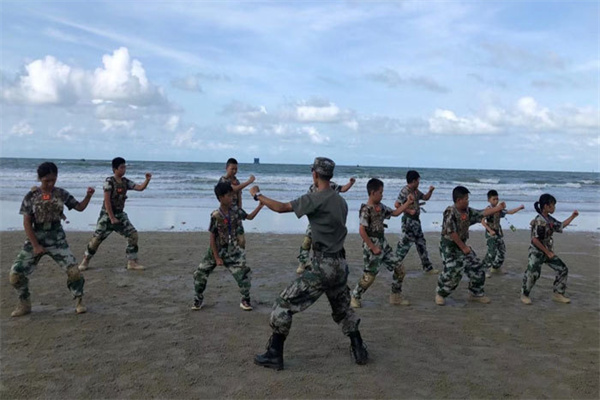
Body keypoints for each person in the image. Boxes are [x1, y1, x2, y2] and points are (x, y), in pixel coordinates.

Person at [252, 157, 368, 370]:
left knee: (283, 304)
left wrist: (257, 195)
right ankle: (359, 348)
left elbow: (281, 208)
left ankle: (274, 353)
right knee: (342, 309)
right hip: (340, 265)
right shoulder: (341, 202)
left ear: (314, 174)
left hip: (323, 266)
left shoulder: (315, 198)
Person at [9, 162, 95, 317]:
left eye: (53, 180)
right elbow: (27, 222)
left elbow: (80, 207)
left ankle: (79, 300)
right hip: (36, 237)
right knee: (15, 274)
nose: (50, 183)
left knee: (74, 272)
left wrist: (88, 196)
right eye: (46, 180)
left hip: (57, 239)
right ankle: (24, 303)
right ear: (40, 178)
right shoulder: (31, 196)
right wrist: (35, 245)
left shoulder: (61, 193)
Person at [192, 181, 263, 311]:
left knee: (243, 273)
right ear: (221, 198)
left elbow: (249, 217)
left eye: (232, 195)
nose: (232, 197)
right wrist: (216, 257)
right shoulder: (216, 215)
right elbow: (212, 237)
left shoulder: (236, 210)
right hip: (216, 250)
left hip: (233, 250)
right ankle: (198, 298)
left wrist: (260, 206)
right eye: (229, 195)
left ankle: (245, 299)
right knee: (200, 273)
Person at [435, 186, 506, 306]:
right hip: (449, 247)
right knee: (454, 271)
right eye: (466, 199)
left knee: (478, 268)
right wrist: (464, 248)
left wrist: (498, 208)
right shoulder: (450, 212)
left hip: (462, 245)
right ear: (459, 200)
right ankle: (440, 294)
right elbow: (451, 232)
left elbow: (482, 213)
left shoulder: (468, 211)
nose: (468, 201)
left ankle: (475, 294)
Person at [78, 157, 151, 271]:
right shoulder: (109, 182)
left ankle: (132, 262)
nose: (124, 169)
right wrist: (111, 218)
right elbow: (107, 201)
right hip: (107, 215)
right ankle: (85, 261)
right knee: (97, 239)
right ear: (115, 169)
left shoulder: (125, 182)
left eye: (124, 167)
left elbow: (140, 188)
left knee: (133, 235)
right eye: (121, 167)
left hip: (120, 215)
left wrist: (147, 180)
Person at [350, 178, 414, 308]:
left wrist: (407, 203)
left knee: (399, 268)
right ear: (373, 193)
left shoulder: (381, 207)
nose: (382, 195)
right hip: (371, 245)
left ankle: (395, 296)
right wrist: (373, 247)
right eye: (380, 192)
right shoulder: (366, 210)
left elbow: (395, 213)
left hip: (383, 243)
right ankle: (355, 296)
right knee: (370, 275)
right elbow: (362, 230)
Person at [521, 194, 579, 305]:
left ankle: (558, 294)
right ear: (546, 206)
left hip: (547, 251)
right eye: (553, 205)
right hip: (537, 252)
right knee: (533, 273)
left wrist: (573, 216)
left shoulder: (549, 219)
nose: (554, 208)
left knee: (562, 269)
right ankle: (525, 294)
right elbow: (535, 240)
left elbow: (560, 225)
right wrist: (547, 252)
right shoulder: (539, 221)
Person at [296, 177, 356, 274]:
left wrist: (351, 183)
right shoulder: (312, 188)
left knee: (328, 244)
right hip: (316, 221)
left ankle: (323, 262)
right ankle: (302, 262)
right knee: (307, 241)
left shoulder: (332, 186)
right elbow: (308, 203)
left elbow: (342, 189)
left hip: (329, 221)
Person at [395, 170, 438, 275]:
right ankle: (394, 264)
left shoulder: (415, 191)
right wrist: (409, 211)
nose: (419, 182)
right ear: (413, 181)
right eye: (418, 180)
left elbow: (425, 198)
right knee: (405, 245)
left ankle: (428, 267)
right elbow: (397, 205)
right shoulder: (405, 191)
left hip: (416, 222)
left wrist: (430, 191)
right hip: (408, 221)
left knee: (421, 244)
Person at [481, 190, 524, 277]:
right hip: (490, 234)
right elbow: (482, 221)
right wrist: (490, 230)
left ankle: (496, 268)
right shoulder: (488, 210)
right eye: (494, 199)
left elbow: (510, 212)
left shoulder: (499, 209)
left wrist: (519, 208)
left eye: (497, 199)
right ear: (489, 200)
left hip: (498, 233)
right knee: (491, 253)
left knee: (502, 251)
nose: (496, 201)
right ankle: (482, 270)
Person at [218, 158, 255, 249]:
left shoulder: (236, 181)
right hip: (226, 212)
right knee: (226, 237)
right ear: (227, 168)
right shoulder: (223, 180)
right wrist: (249, 181)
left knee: (240, 239)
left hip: (236, 211)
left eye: (236, 169)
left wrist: (240, 208)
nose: (234, 171)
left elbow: (239, 196)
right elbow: (234, 189)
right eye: (232, 169)